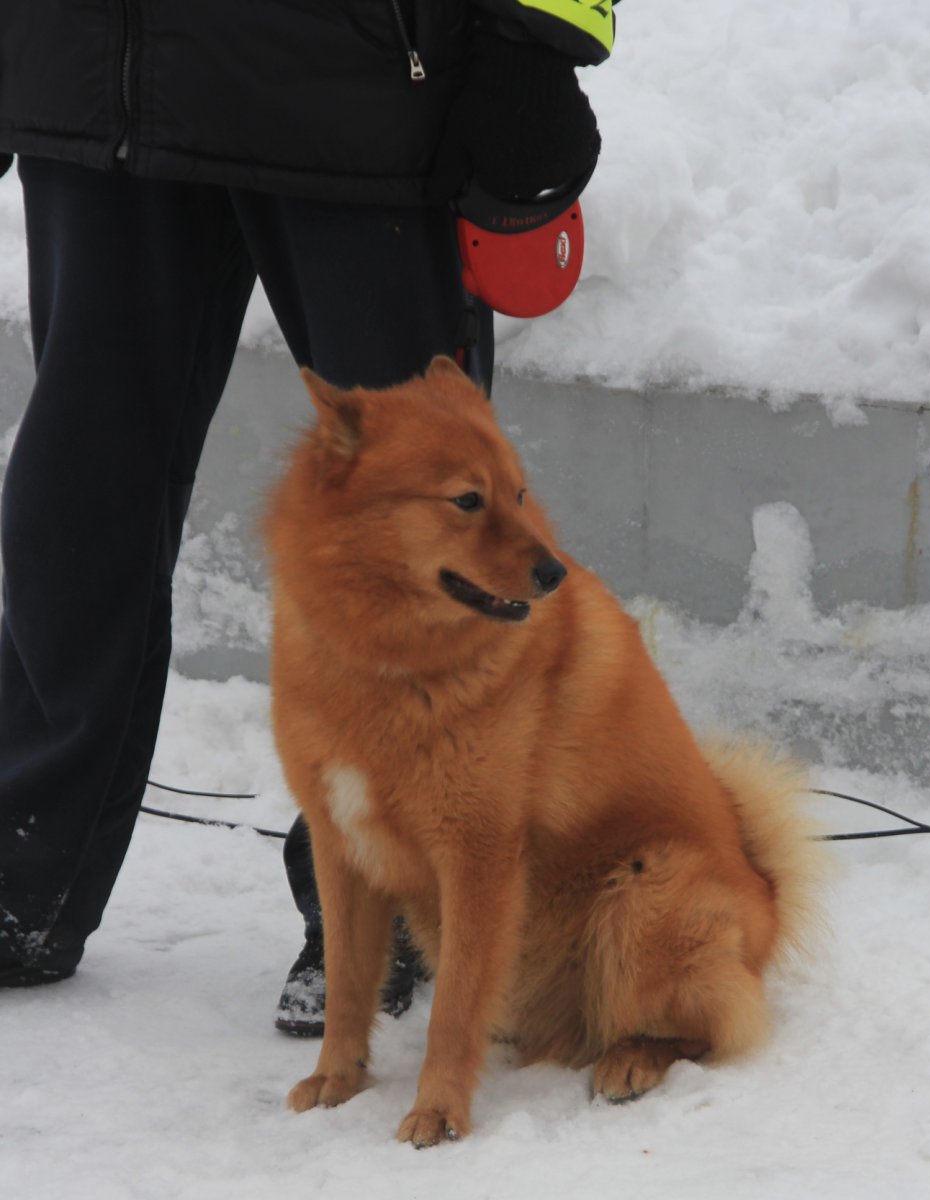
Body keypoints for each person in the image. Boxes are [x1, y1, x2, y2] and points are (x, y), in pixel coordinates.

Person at [0, 0, 614, 1028]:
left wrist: (536, 39)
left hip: (364, 82)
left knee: (427, 529)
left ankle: (391, 894)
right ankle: (23, 881)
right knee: (73, 504)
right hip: (96, 67)